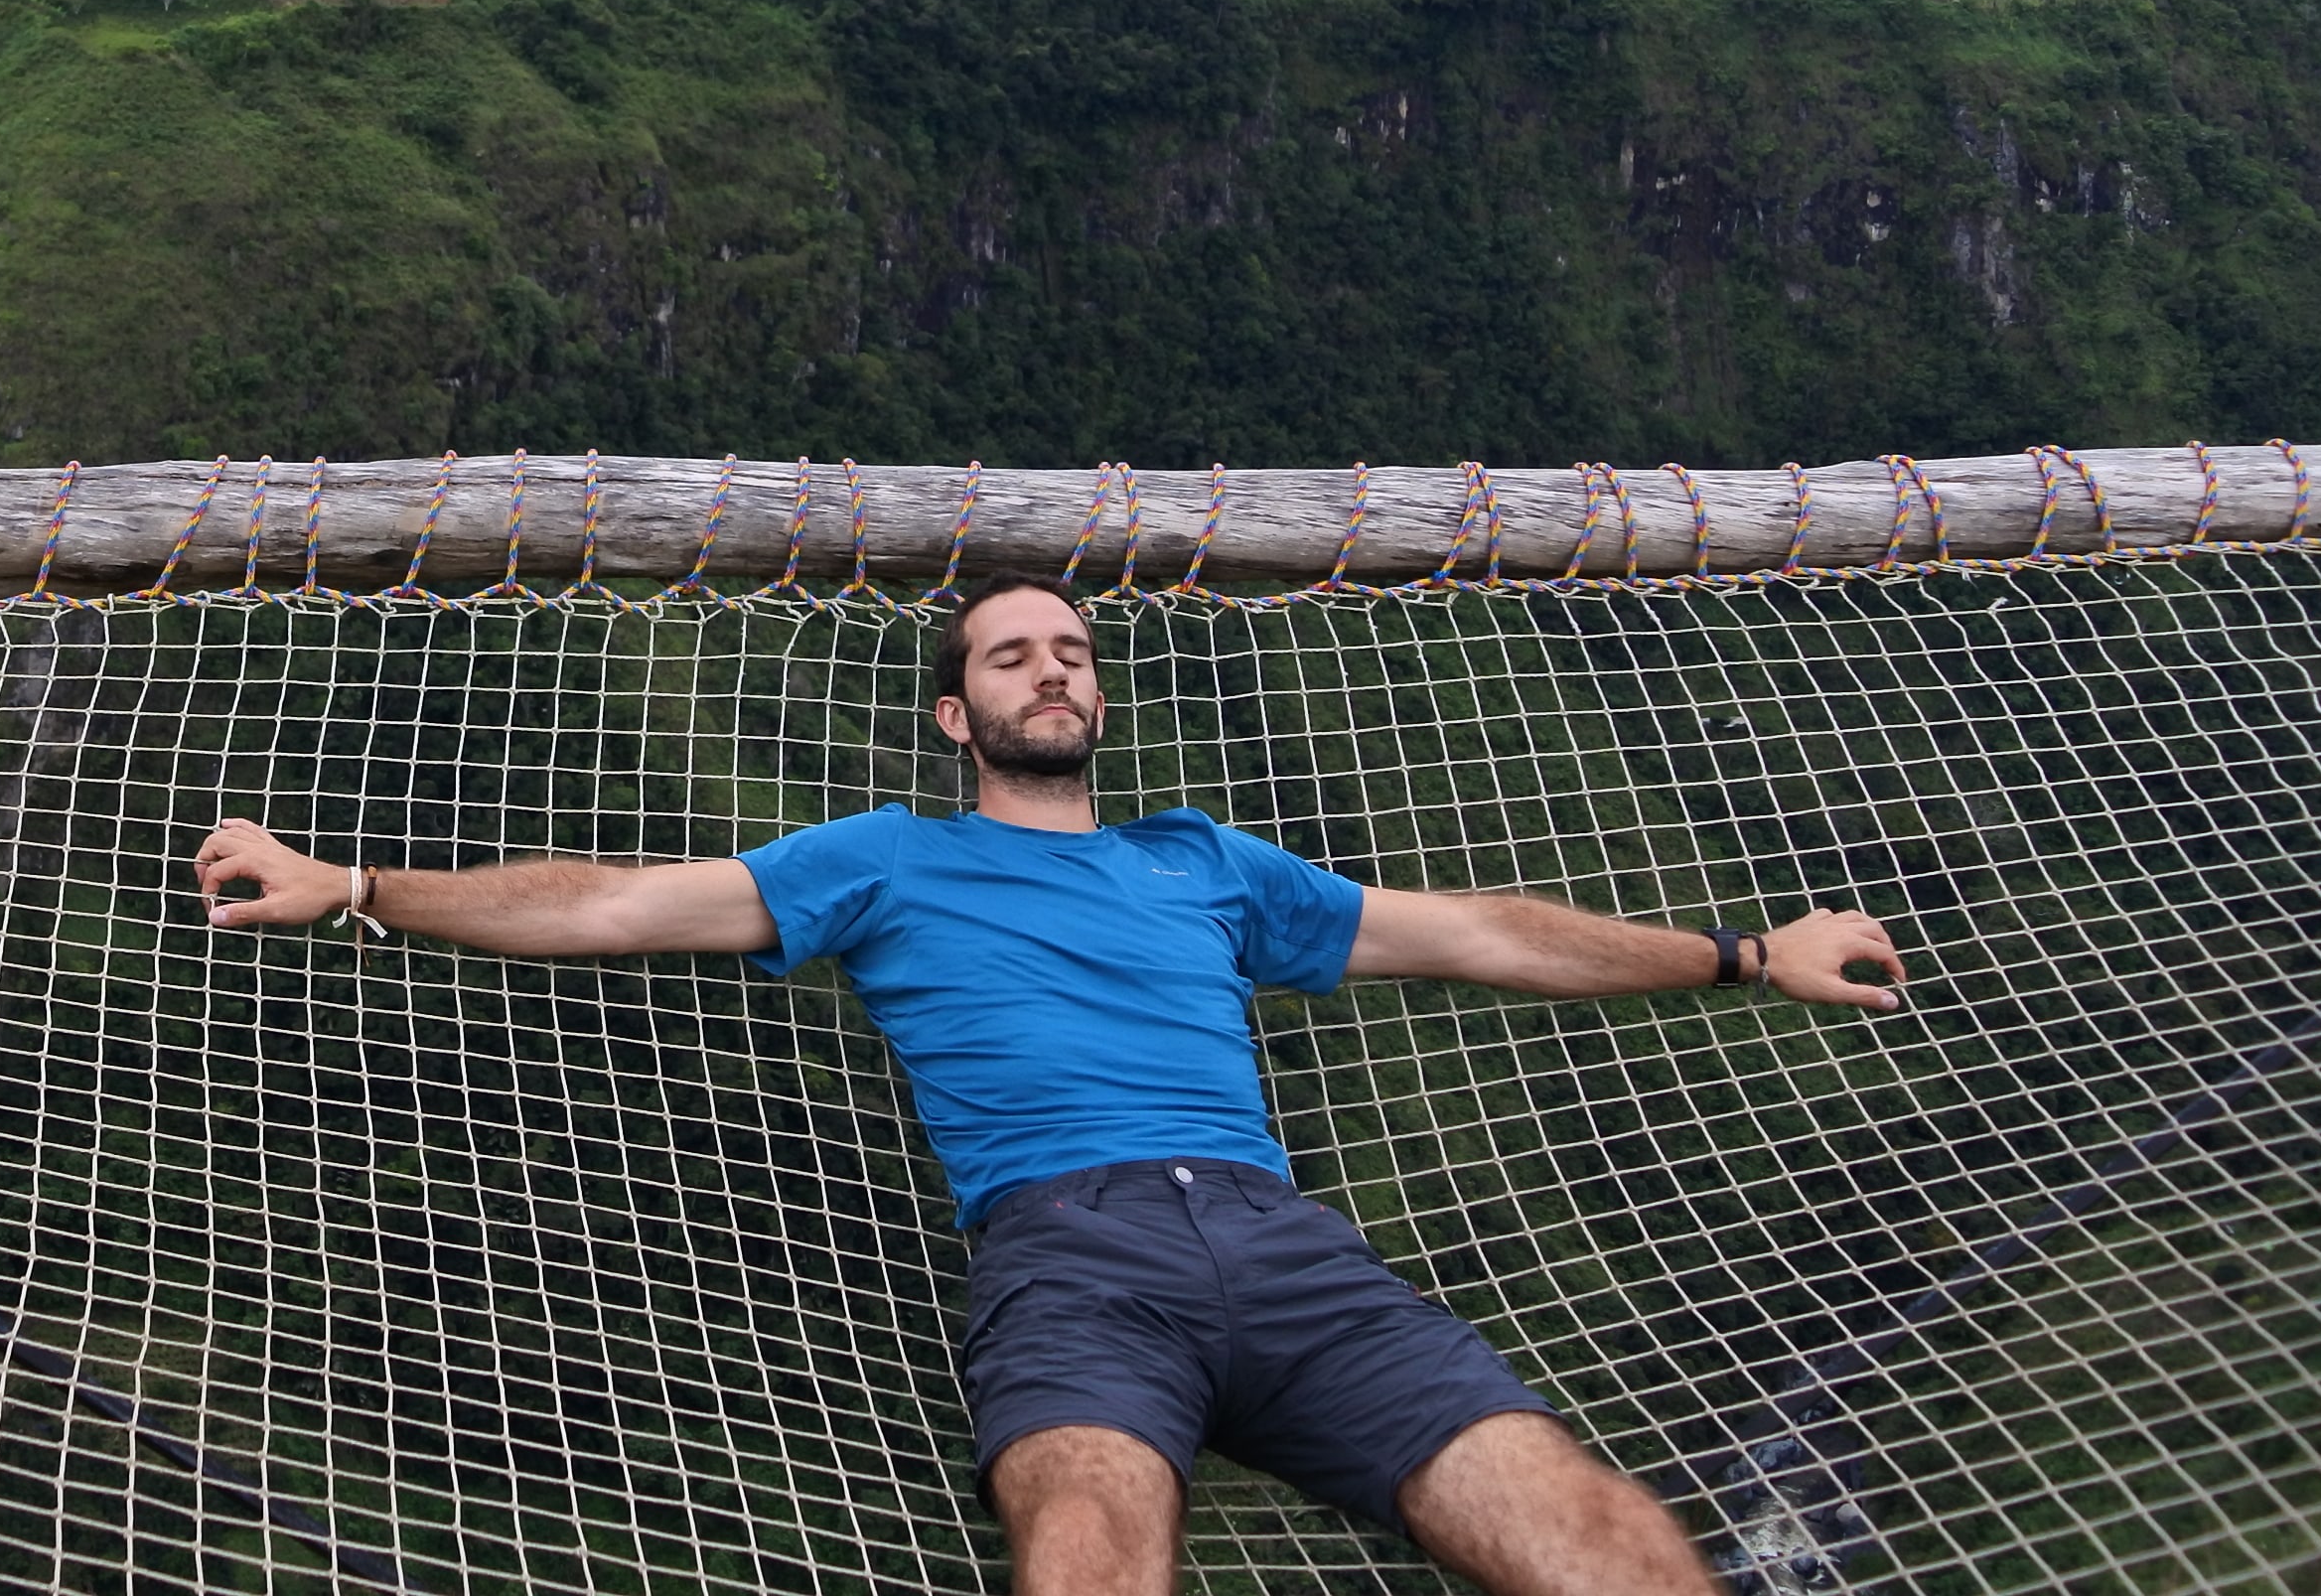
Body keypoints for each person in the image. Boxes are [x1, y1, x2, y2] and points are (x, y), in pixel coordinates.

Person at [191, 578, 1906, 1596]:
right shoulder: (883, 861)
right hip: (1072, 1260)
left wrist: (1747, 953)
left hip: (1287, 1250)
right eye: (1011, 656)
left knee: (1597, 1531)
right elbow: (612, 906)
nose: (1053, 670)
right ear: (957, 715)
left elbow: (1476, 933)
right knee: (1087, 1538)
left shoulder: (1205, 863)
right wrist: (354, 885)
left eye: (1071, 649)